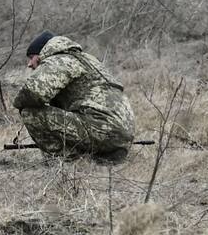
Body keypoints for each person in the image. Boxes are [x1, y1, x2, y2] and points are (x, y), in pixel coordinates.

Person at [14, 31, 135, 160]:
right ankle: (104, 155)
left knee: (30, 113)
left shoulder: (60, 60)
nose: (30, 64)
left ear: (42, 53)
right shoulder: (87, 59)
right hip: (122, 134)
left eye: (31, 57)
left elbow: (34, 91)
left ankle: (64, 162)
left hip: (101, 128)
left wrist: (16, 104)